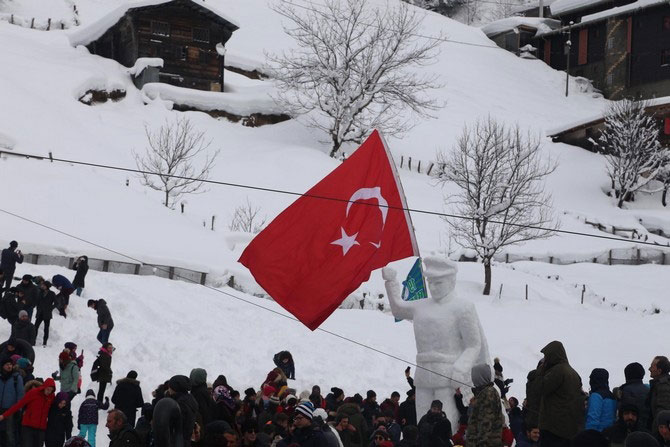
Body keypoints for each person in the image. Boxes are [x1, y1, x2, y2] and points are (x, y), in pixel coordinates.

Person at [383, 257, 490, 425]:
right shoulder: (421, 306)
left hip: (448, 376)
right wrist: (391, 282)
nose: (433, 287)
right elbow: (398, 308)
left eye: (438, 282)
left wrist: (460, 368)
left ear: (451, 280)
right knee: (422, 423)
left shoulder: (462, 307)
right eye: (430, 282)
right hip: (423, 374)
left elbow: (473, 344)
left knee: (447, 423)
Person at [538, 341, 585, 446]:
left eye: (546, 356)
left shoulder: (557, 370)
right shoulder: (573, 372)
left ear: (552, 355)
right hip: (568, 426)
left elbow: (541, 388)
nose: (545, 359)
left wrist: (541, 371)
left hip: (553, 426)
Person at [0, 378, 57, 447]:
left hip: (41, 429)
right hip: (28, 427)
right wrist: (3, 416)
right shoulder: (33, 393)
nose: (49, 392)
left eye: (51, 390)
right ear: (44, 387)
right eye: (48, 389)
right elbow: (18, 405)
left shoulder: (51, 397)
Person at [466, 364, 503, 447]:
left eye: (474, 375)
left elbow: (485, 425)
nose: (473, 378)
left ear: (479, 376)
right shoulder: (484, 392)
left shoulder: (487, 394)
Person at [616, 362, 650, 429]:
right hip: (647, 427)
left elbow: (621, 410)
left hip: (630, 425)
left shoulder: (624, 390)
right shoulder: (648, 390)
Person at [166, 375, 198, 447]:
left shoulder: (180, 404)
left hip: (178, 441)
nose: (168, 389)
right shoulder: (189, 399)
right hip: (185, 440)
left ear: (175, 388)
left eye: (170, 387)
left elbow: (175, 424)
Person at [0, 357, 24, 447]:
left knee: (10, 432)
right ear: (2, 366)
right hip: (0, 409)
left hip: (11, 410)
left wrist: (19, 410)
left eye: (10, 364)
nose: (9, 366)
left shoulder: (16, 378)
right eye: (7, 364)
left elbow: (20, 395)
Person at [649, 356, 670, 434]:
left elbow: (662, 412)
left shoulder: (663, 386)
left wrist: (656, 433)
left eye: (652, 366)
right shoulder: (659, 384)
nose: (649, 369)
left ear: (659, 371)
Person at [34, 281, 56, 347]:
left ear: (47, 286)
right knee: (35, 327)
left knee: (46, 328)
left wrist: (51, 308)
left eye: (43, 285)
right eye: (42, 285)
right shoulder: (40, 292)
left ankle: (45, 342)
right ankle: (33, 340)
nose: (42, 286)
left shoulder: (52, 293)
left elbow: (56, 303)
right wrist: (37, 307)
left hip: (47, 314)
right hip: (40, 313)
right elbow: (37, 301)